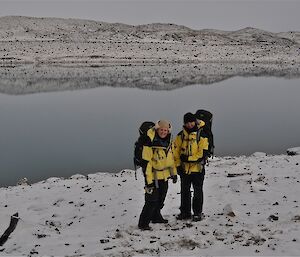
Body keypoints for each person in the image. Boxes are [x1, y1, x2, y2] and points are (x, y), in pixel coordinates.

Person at [138, 120, 178, 230]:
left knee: (161, 199)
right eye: (161, 129)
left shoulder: (169, 141)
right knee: (151, 201)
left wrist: (174, 174)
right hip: (152, 176)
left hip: (164, 176)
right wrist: (148, 182)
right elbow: (147, 163)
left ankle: (156, 216)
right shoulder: (149, 141)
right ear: (157, 129)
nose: (163, 132)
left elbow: (171, 159)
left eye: (165, 130)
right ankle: (143, 223)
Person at [174, 112, 209, 221]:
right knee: (185, 191)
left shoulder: (201, 135)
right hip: (184, 170)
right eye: (187, 122)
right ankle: (185, 212)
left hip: (197, 169)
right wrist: (178, 166)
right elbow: (175, 152)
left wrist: (188, 159)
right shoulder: (180, 136)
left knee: (197, 191)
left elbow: (201, 154)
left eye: (191, 122)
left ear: (194, 121)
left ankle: (197, 213)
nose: (189, 124)